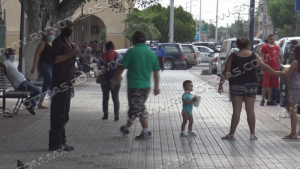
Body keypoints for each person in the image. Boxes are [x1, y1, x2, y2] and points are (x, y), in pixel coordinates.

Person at [218, 37, 283, 140]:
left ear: (238, 46)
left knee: (237, 110)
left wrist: (220, 84)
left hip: (236, 85)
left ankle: (231, 134)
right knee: (250, 110)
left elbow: (226, 72)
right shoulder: (254, 55)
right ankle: (252, 134)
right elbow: (264, 67)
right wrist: (275, 72)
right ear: (248, 45)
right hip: (251, 85)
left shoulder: (232, 56)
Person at [110, 31, 160, 140]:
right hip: (146, 86)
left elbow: (121, 67)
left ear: (134, 40)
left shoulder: (131, 52)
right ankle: (126, 128)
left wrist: (113, 80)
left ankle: (146, 132)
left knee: (139, 108)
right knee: (134, 109)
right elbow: (156, 71)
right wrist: (157, 86)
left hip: (134, 86)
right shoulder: (151, 53)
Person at [48, 20, 80, 151]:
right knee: (58, 113)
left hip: (67, 81)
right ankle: (55, 143)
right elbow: (55, 59)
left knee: (65, 114)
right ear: (61, 28)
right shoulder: (58, 42)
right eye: (66, 27)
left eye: (70, 26)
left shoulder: (70, 44)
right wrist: (71, 54)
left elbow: (71, 65)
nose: (69, 28)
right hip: (59, 82)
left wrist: (71, 83)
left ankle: (62, 141)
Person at [0, 48, 41, 115]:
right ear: (7, 55)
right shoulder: (6, 62)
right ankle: (29, 104)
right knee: (38, 90)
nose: (14, 56)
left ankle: (29, 103)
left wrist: (25, 77)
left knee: (37, 91)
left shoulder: (10, 63)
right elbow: (2, 64)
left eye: (14, 54)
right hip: (21, 85)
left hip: (24, 82)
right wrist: (4, 67)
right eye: (12, 54)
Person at [30, 29, 55, 109]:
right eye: (50, 33)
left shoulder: (52, 43)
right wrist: (34, 67)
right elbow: (36, 55)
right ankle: (54, 102)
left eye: (53, 34)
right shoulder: (43, 43)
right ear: (46, 35)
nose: (52, 35)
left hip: (51, 66)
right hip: (44, 66)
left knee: (46, 86)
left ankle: (40, 102)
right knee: (52, 84)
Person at [100, 41, 123, 121]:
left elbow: (99, 66)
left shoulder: (102, 56)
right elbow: (122, 66)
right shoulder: (118, 55)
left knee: (105, 98)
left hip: (105, 80)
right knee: (115, 98)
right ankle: (116, 116)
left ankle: (105, 114)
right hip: (116, 79)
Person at [282, 45, 300, 139]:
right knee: (290, 107)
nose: (291, 52)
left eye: (293, 50)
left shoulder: (295, 63)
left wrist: (284, 72)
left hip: (295, 87)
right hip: (298, 87)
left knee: (291, 109)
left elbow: (287, 75)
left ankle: (294, 133)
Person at [260, 34, 282, 106]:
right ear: (268, 39)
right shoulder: (264, 47)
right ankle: (262, 100)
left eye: (273, 39)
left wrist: (279, 66)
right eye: (271, 39)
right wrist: (262, 67)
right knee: (265, 85)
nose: (272, 40)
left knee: (271, 86)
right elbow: (262, 57)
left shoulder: (276, 47)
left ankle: (269, 100)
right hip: (267, 69)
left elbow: (278, 57)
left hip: (275, 68)